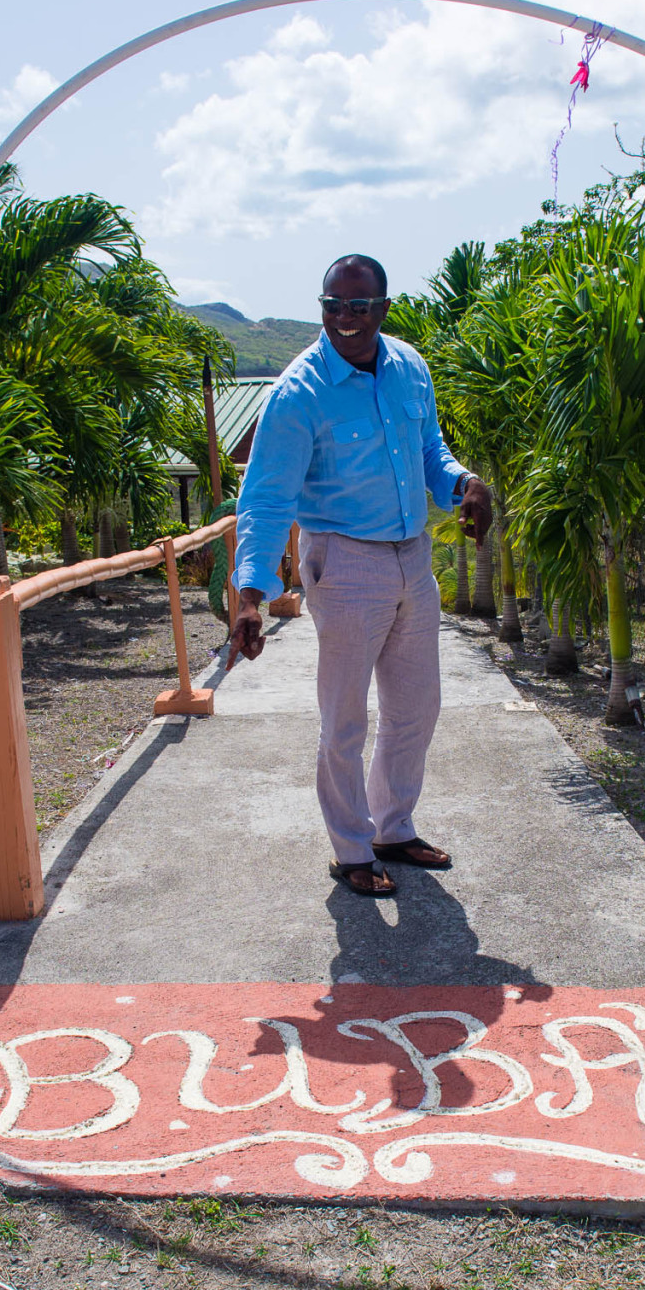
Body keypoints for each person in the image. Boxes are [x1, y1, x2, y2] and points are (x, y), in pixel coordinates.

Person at [227, 252, 492, 898]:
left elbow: (430, 451)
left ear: (381, 308)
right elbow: (265, 498)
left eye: (358, 306)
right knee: (345, 717)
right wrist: (250, 594)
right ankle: (350, 847)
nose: (344, 318)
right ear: (322, 307)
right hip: (343, 563)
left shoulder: (408, 367)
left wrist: (461, 484)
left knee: (415, 709)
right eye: (332, 305)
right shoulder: (299, 392)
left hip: (412, 557)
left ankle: (391, 828)